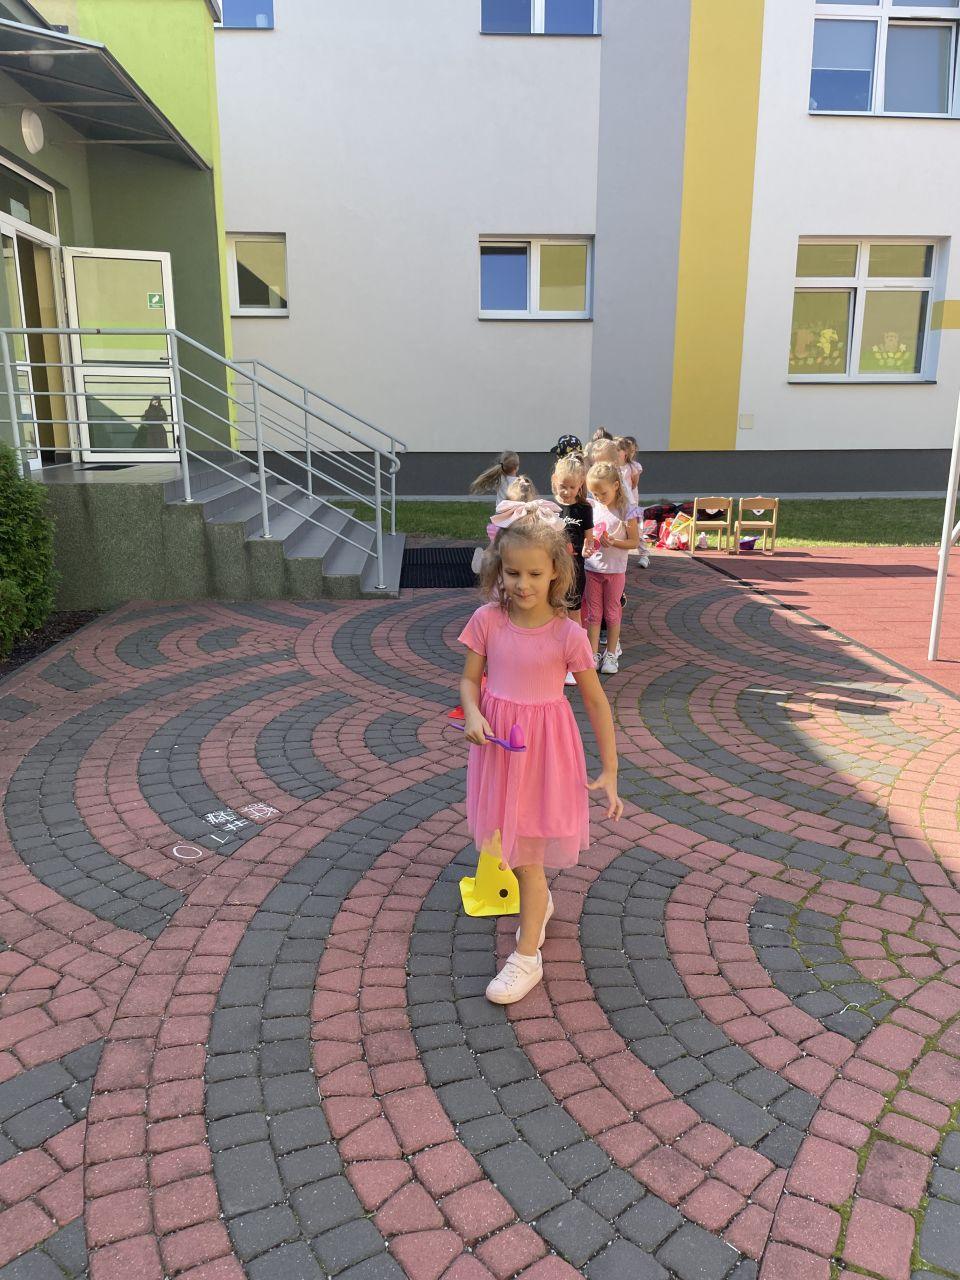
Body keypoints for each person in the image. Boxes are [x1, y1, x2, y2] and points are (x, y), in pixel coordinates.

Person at [459, 504, 623, 1005]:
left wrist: (611, 768)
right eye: (513, 573)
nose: (522, 583)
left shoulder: (567, 634)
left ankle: (527, 956)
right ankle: (540, 904)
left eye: (534, 573)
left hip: (544, 754)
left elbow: (595, 701)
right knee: (507, 843)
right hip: (499, 752)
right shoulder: (487, 621)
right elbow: (469, 680)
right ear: (499, 570)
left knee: (528, 857)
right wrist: (473, 712)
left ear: (555, 572)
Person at [583, 461, 640, 674]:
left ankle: (611, 653)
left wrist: (614, 542)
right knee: (593, 614)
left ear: (616, 485)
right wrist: (588, 545)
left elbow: (634, 542)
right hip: (592, 569)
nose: (599, 497)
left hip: (615, 571)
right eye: (595, 493)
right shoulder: (592, 507)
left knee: (612, 613)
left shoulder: (627, 511)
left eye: (603, 493)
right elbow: (587, 537)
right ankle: (592, 653)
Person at [552, 454, 594, 685]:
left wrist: (588, 549)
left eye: (571, 487)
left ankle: (575, 663)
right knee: (555, 612)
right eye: (562, 486)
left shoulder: (584, 509)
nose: (567, 491)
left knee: (574, 614)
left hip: (576, 571)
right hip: (554, 570)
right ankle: (555, 659)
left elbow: (589, 539)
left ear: (580, 485)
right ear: (554, 481)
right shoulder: (550, 508)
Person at [616, 435, 650, 570]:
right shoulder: (612, 467)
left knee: (636, 530)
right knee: (619, 529)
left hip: (630, 503)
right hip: (617, 503)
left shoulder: (632, 467)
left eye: (618, 450)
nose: (616, 453)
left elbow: (634, 484)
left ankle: (644, 554)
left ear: (625, 452)